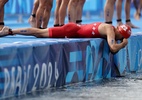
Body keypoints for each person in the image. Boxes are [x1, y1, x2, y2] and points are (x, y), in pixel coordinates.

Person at [0, 22, 131, 53]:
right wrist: (123, 45)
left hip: (75, 30)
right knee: (39, 32)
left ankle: (10, 30)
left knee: (39, 33)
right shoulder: (110, 30)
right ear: (120, 33)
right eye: (121, 37)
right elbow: (113, 48)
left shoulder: (112, 28)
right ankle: (10, 30)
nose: (119, 39)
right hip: (72, 29)